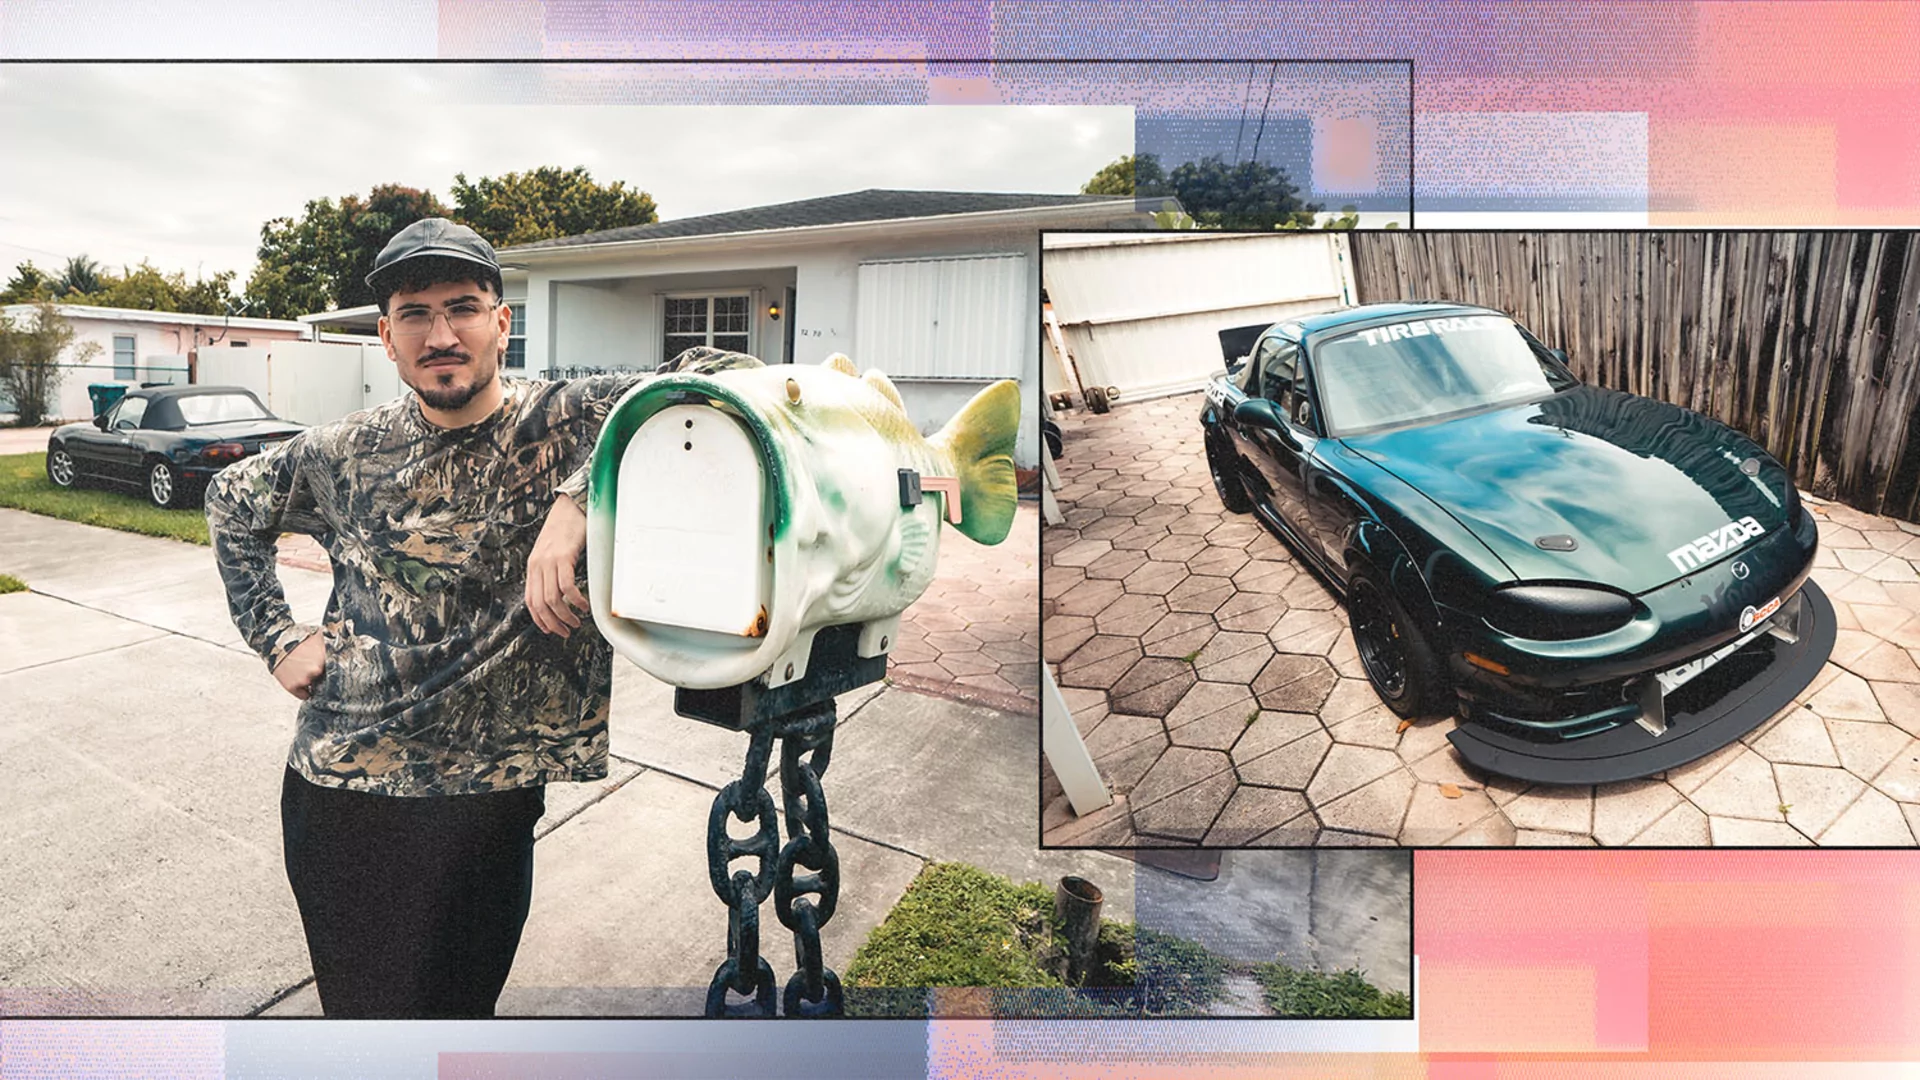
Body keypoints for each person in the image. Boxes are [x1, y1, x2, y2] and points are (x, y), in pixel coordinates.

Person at [205, 217, 754, 1018]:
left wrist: (579, 498)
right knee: (369, 1027)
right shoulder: (342, 452)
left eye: (461, 307)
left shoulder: (573, 418)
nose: (440, 334)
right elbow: (230, 502)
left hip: (491, 799)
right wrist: (277, 637)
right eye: (414, 315)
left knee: (459, 1017)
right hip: (347, 793)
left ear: (502, 323)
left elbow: (732, 374)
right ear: (387, 339)